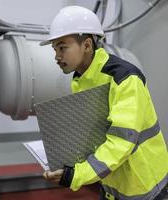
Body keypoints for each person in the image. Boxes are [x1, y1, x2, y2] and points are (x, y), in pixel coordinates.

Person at [41, 6, 168, 200]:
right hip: (112, 185)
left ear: (87, 45)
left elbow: (120, 142)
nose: (57, 56)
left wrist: (76, 175)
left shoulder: (124, 79)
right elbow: (93, 133)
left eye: (62, 47)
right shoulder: (80, 79)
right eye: (55, 49)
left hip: (144, 187)